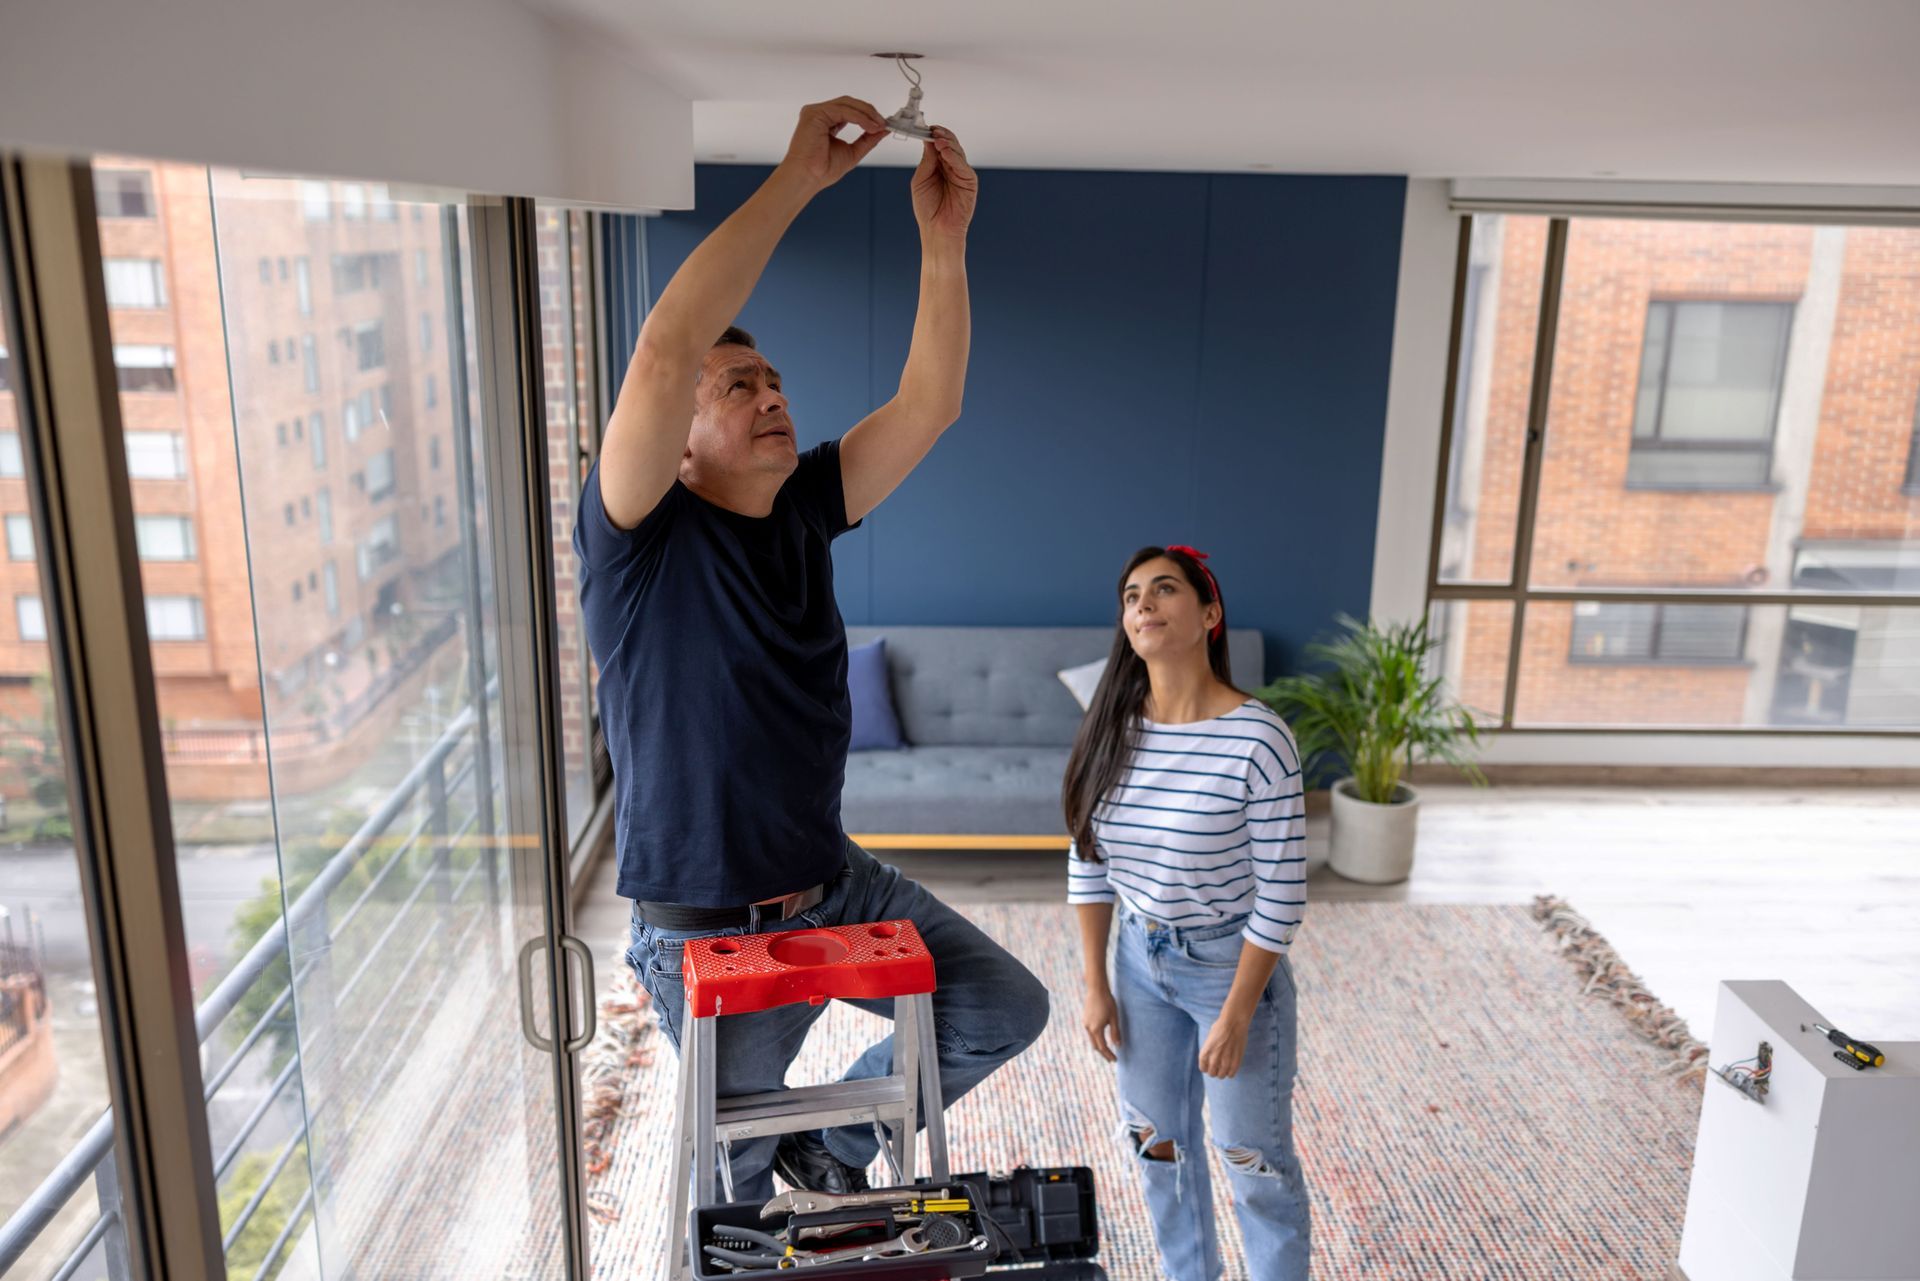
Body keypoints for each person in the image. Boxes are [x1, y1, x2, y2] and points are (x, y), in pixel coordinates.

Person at [574, 96, 1047, 1207]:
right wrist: (798, 177)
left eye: (777, 381)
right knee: (730, 1205)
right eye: (739, 386)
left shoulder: (804, 508)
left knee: (1000, 1006)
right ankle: (777, 1175)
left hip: (833, 884)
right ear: (681, 441)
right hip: (709, 932)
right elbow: (661, 350)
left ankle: (834, 1150)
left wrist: (944, 239)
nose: (773, 395)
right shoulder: (636, 538)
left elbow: (929, 404)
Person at [1063, 546, 1312, 1279]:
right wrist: (1095, 982)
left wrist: (1237, 1012)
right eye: (1132, 593)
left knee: (1254, 1162)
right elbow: (1088, 860)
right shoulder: (1111, 727)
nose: (1143, 603)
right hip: (1139, 962)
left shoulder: (1259, 737)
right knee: (1157, 1146)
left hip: (1229, 970)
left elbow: (1283, 891)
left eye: (1164, 589)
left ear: (1209, 614)